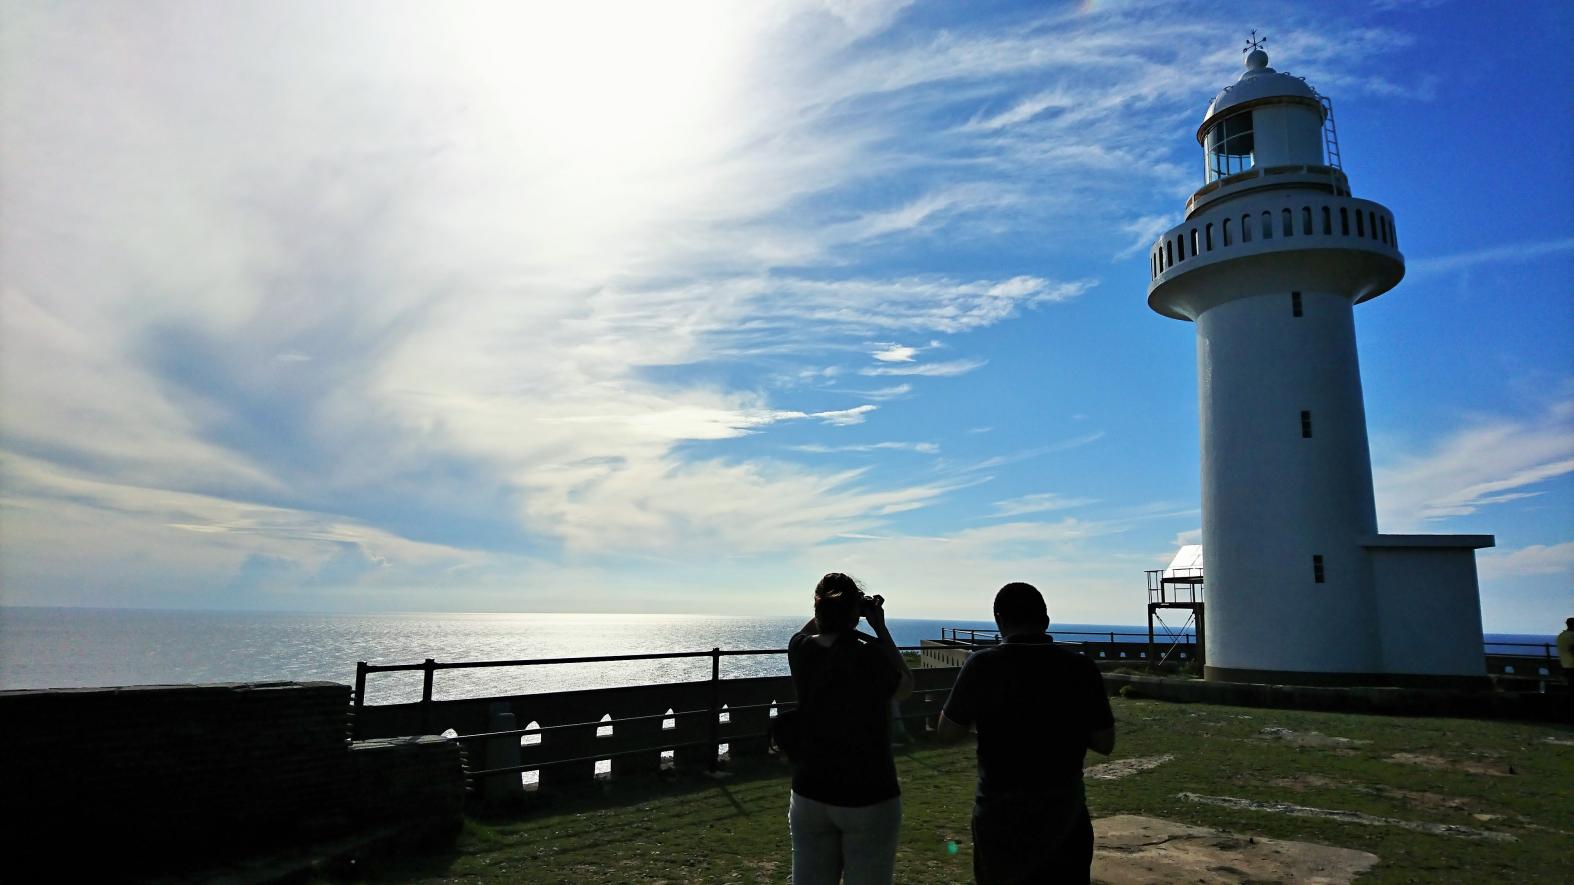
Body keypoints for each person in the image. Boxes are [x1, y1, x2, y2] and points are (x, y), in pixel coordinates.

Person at [936, 582, 1115, 884]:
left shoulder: (982, 665)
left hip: (999, 818)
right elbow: (1105, 742)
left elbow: (947, 733)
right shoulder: (1080, 667)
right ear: (1045, 621)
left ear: (999, 621)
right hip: (1065, 817)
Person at [787, 573, 914, 885]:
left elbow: (811, 628)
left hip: (810, 791)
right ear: (854, 614)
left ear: (818, 610)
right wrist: (879, 626)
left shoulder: (800, 650)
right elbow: (905, 686)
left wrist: (840, 609)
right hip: (869, 791)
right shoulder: (868, 655)